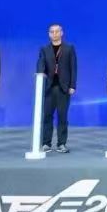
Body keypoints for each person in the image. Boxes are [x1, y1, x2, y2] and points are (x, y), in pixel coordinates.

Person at [36, 23, 76, 153]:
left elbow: (73, 68)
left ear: (61, 33)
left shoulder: (69, 48)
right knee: (47, 116)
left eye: (57, 31)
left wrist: (72, 85)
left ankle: (61, 143)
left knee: (62, 117)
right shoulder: (44, 49)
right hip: (48, 88)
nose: (54, 34)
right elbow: (40, 64)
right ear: (49, 34)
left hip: (64, 88)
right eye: (52, 32)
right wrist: (40, 74)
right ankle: (46, 143)